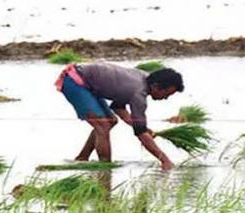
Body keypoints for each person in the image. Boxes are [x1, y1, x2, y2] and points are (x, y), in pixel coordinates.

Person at [55, 62, 184, 171]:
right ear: (156, 86)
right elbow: (140, 134)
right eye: (166, 93)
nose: (166, 98)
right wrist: (164, 160)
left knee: (110, 121)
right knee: (103, 126)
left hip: (87, 83)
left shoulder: (144, 78)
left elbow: (118, 107)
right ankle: (105, 168)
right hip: (75, 80)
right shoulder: (138, 93)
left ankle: (82, 158)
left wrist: (139, 127)